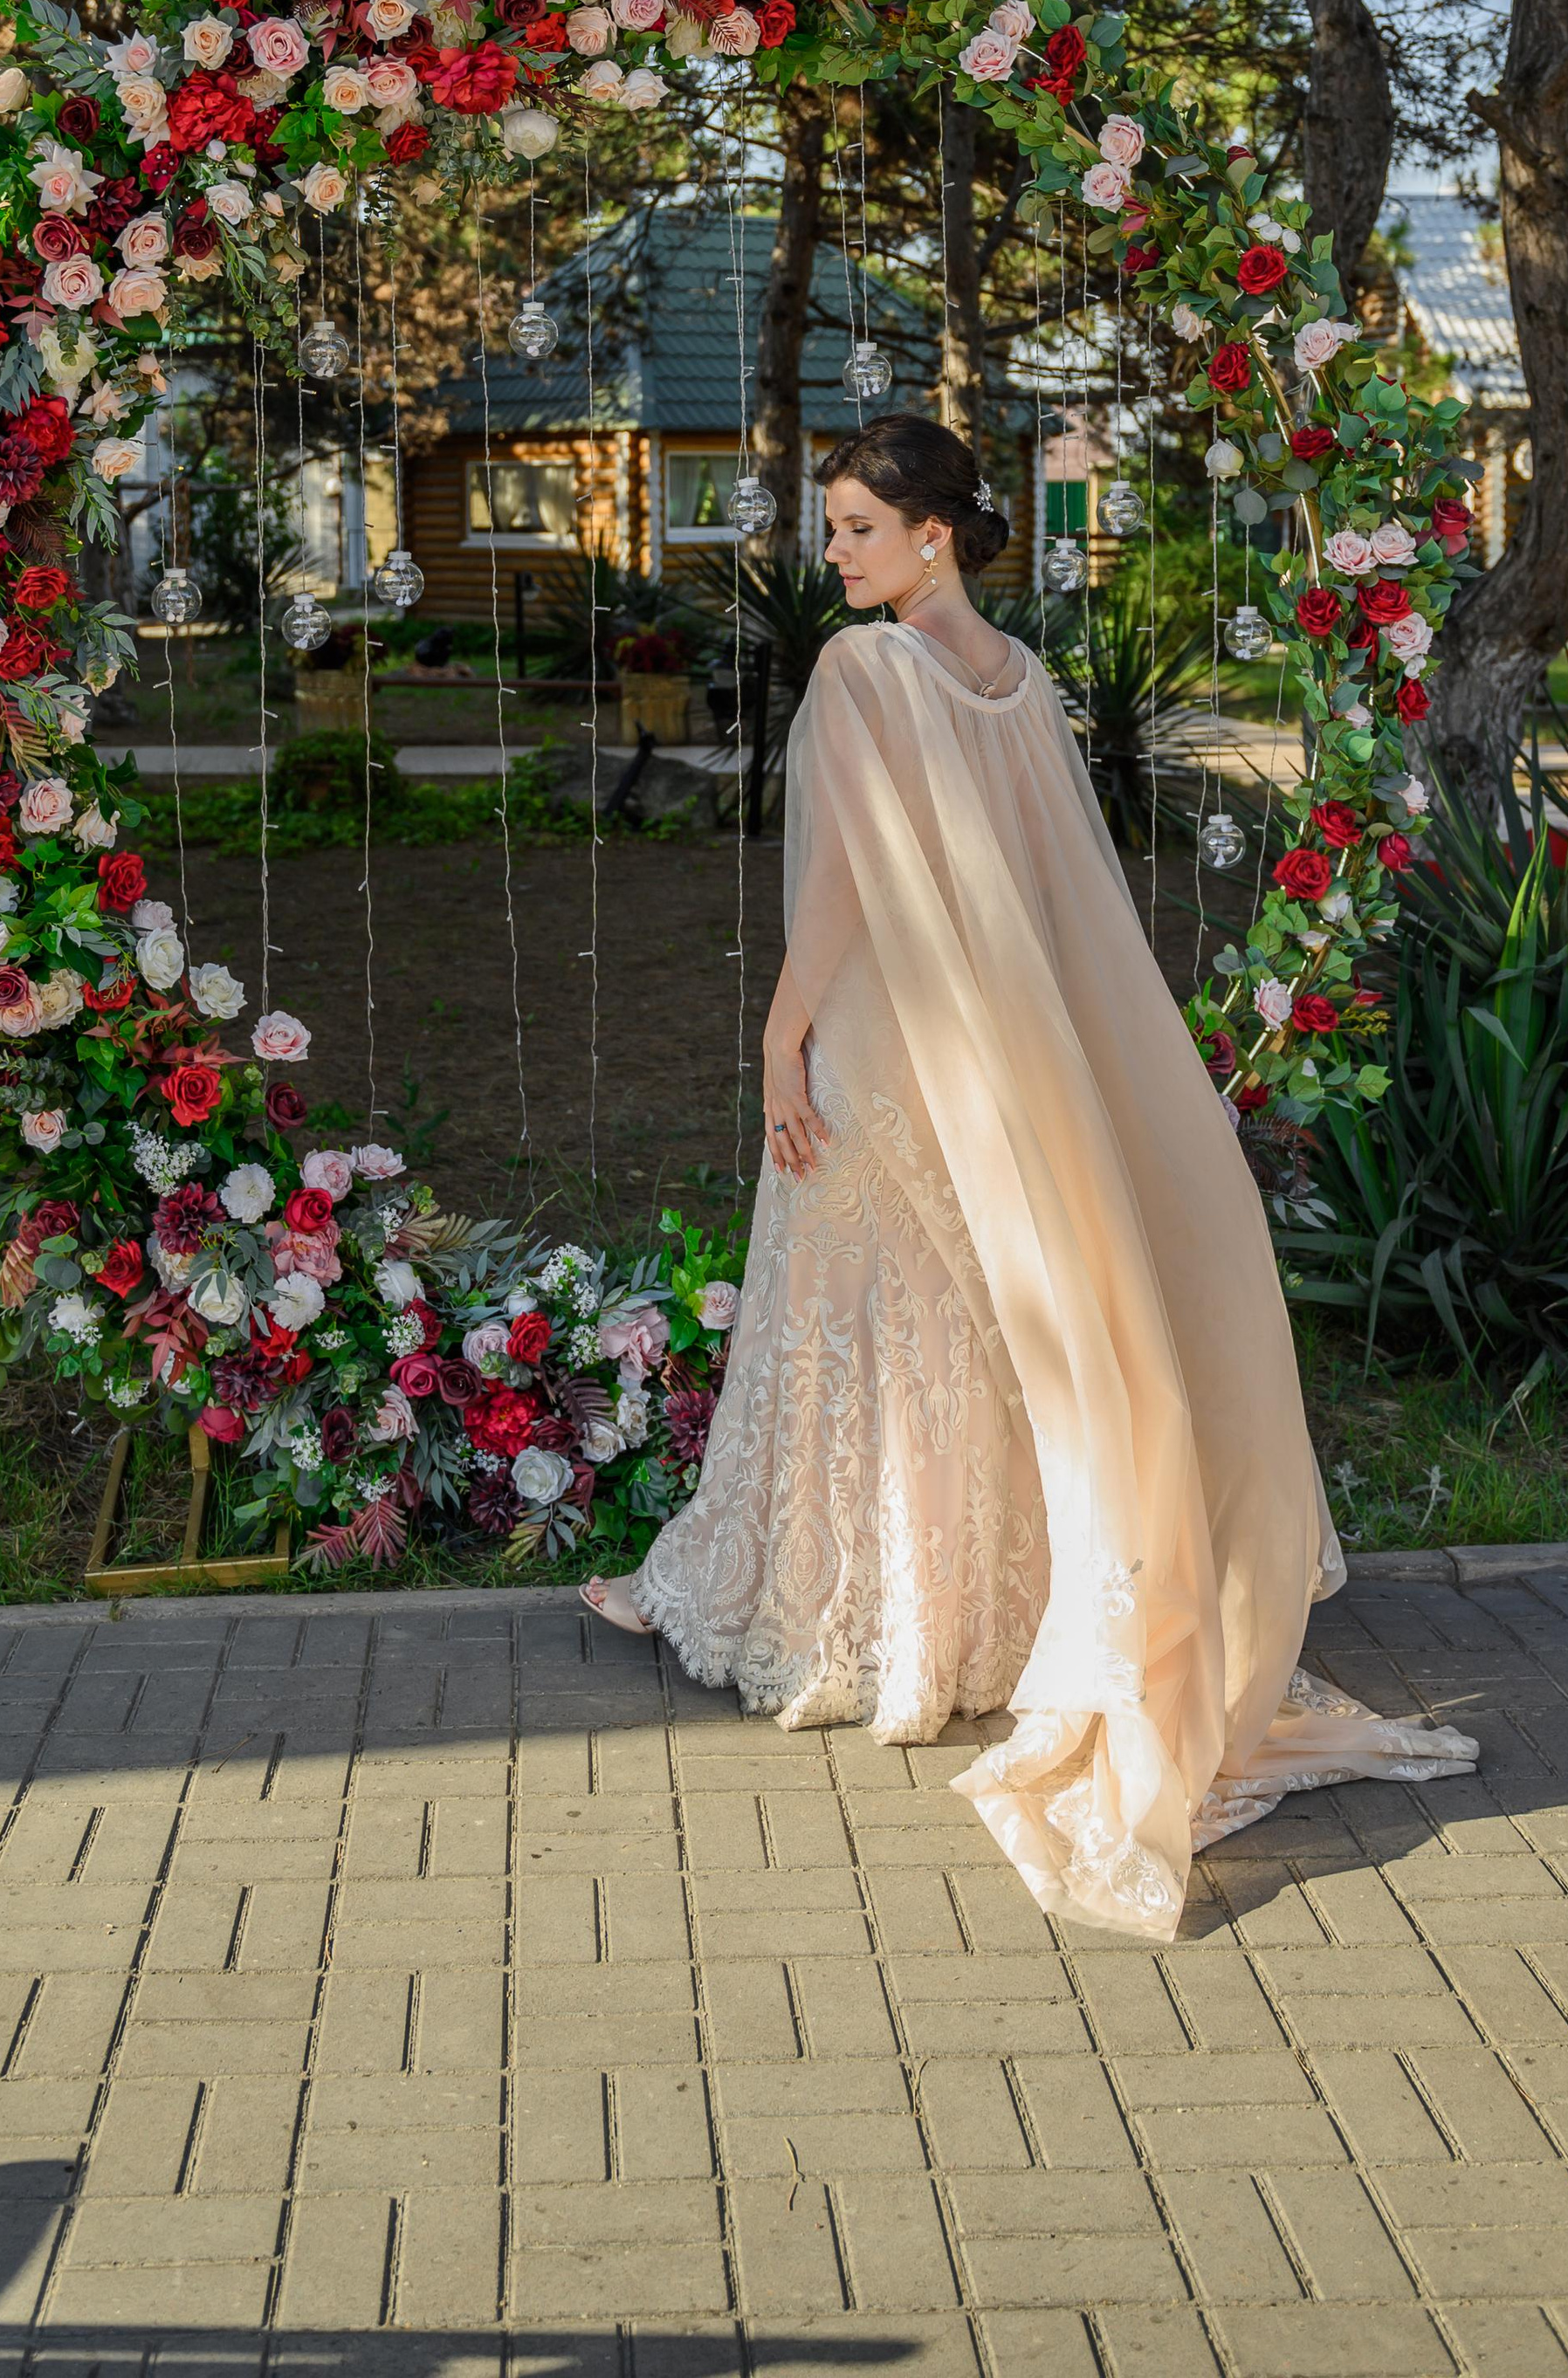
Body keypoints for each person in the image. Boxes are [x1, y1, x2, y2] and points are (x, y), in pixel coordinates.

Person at [584, 416, 1475, 1941]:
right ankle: (979, 1627)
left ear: (935, 533)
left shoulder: (868, 672)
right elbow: (1069, 904)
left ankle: (861, 1629)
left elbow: (856, 876)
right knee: (969, 1324)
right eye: (837, 527)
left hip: (884, 1045)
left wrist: (780, 1037)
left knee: (863, 1312)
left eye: (862, 527)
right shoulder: (1019, 682)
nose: (837, 554)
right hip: (1000, 1058)